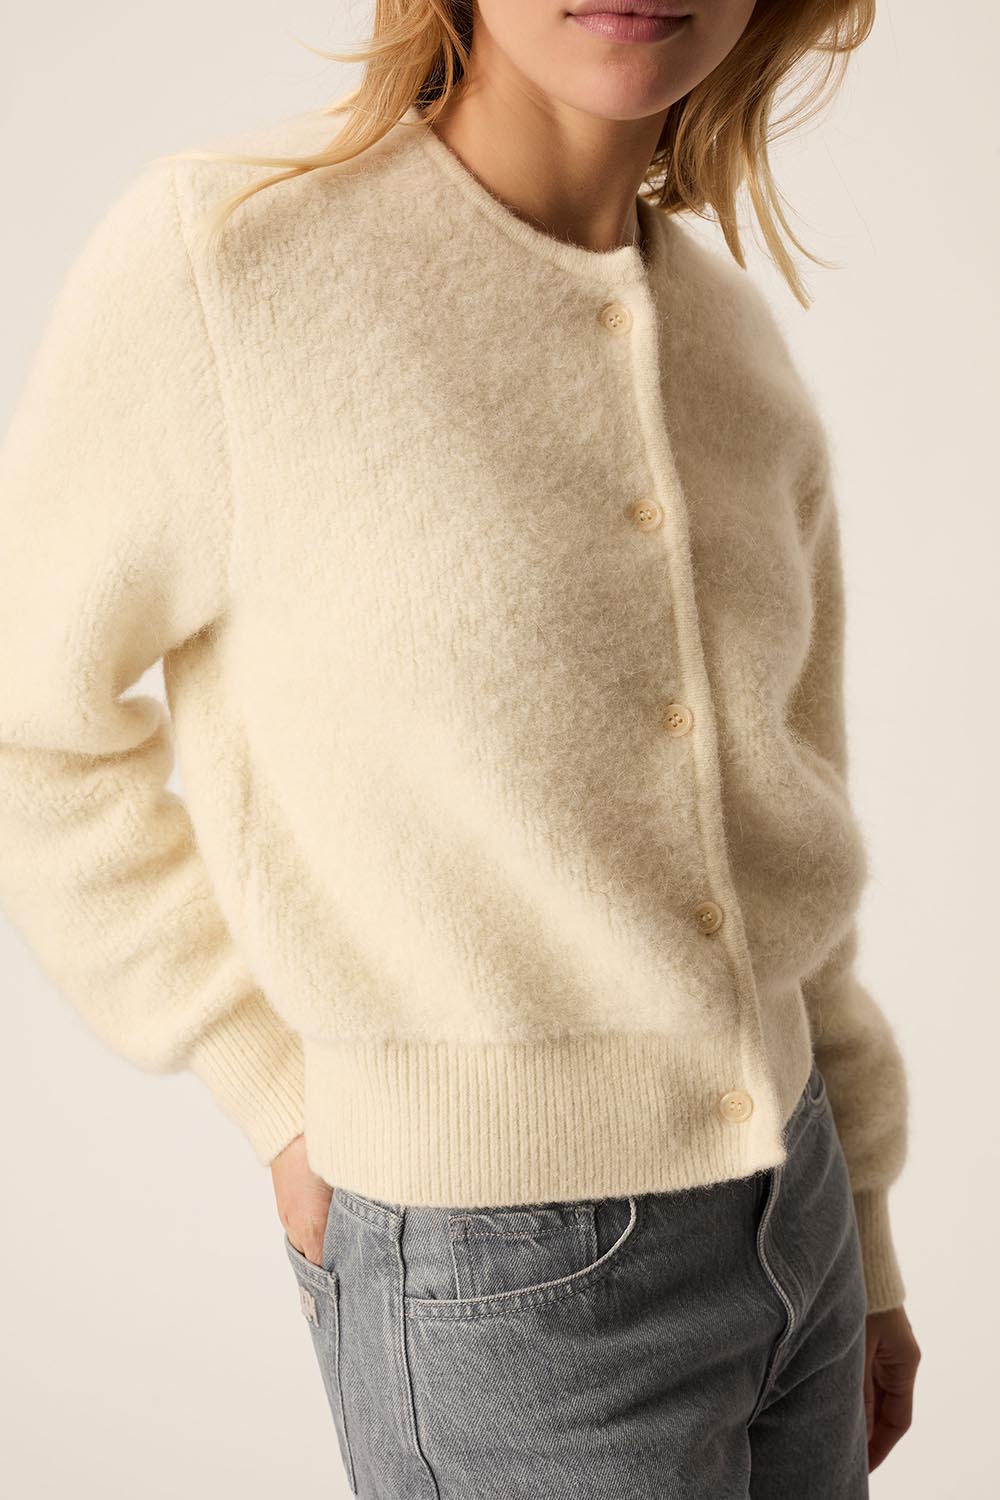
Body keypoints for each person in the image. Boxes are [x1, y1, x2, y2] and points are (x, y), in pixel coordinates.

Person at [0, 1, 920, 1494]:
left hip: (796, 1215)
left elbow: (787, 830)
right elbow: (30, 734)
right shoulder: (230, 260)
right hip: (510, 1282)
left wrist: (863, 1228)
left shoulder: (736, 348)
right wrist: (270, 1083)